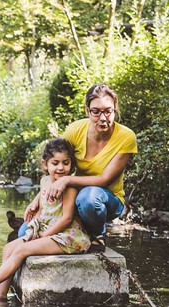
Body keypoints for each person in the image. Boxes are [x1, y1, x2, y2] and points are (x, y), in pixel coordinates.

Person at [0, 138, 91, 298]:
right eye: (55, 163)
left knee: (22, 250)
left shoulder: (69, 187)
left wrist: (44, 235)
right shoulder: (45, 181)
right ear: (45, 164)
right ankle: (0, 295)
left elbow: (66, 218)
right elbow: (44, 208)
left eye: (66, 163)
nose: (60, 168)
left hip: (66, 236)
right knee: (9, 248)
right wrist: (35, 224)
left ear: (71, 164)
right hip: (47, 231)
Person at [24, 84, 137, 252]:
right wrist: (38, 199)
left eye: (108, 111)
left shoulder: (126, 137)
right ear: (87, 111)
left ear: (115, 109)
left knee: (88, 198)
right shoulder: (75, 130)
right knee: (23, 234)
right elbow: (57, 163)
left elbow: (104, 180)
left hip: (106, 200)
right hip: (73, 196)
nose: (103, 117)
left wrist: (68, 179)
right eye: (96, 111)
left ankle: (97, 235)